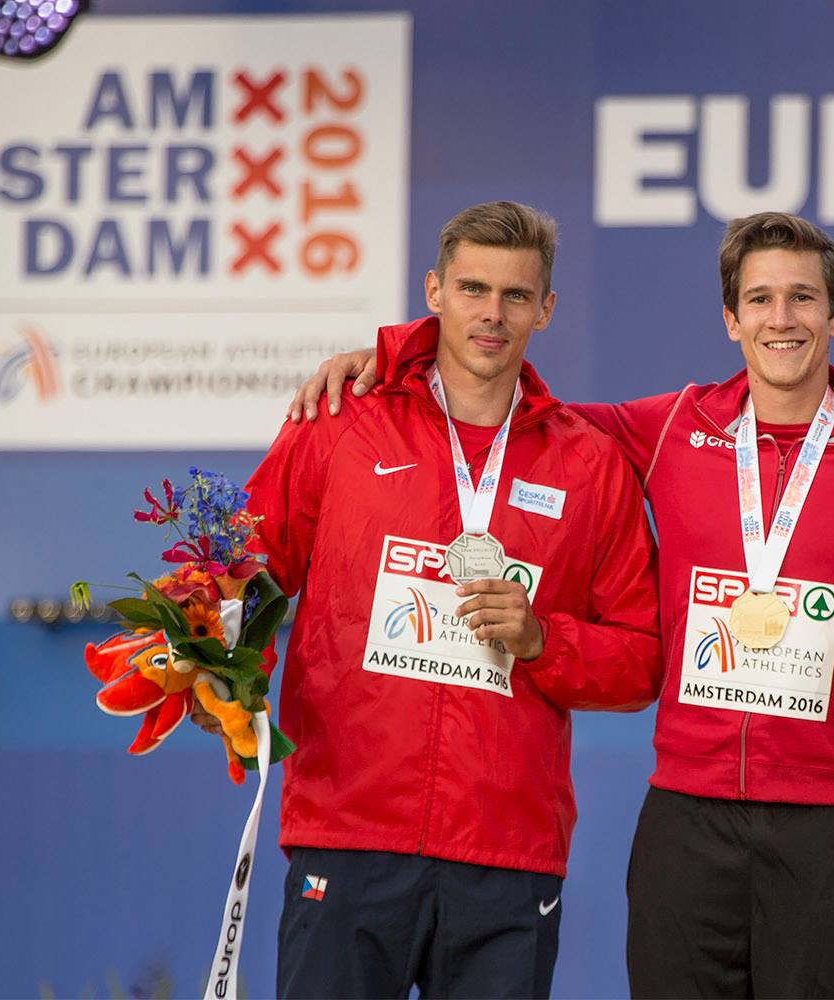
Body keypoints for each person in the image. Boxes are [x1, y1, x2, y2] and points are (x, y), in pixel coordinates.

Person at [286, 212, 834, 998]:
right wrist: (389, 355)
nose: (781, 319)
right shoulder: (674, 426)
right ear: (730, 317)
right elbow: (497, 388)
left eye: (803, 298)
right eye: (759, 300)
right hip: (689, 815)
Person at [236, 200, 663, 999]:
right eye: (472, 289)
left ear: (546, 309)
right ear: (434, 290)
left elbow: (641, 660)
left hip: (505, 854)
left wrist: (544, 641)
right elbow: (247, 576)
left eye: (514, 296)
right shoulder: (341, 420)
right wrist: (212, 665)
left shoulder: (588, 465)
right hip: (349, 827)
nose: (491, 315)